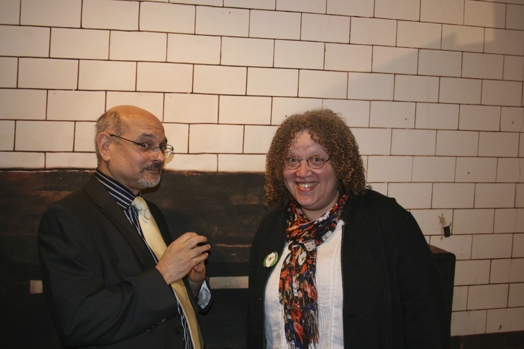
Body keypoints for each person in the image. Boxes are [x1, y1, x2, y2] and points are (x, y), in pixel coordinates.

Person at [247, 109, 450, 348]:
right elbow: (256, 326)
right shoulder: (270, 231)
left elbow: (427, 317)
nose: (302, 172)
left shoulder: (387, 223)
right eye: (292, 160)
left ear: (340, 164)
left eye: (317, 159)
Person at [38, 105, 212, 348]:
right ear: (106, 146)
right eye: (145, 145)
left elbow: (162, 304)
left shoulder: (151, 213)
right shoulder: (68, 218)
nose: (159, 156)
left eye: (162, 147)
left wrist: (191, 284)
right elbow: (77, 321)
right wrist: (164, 275)